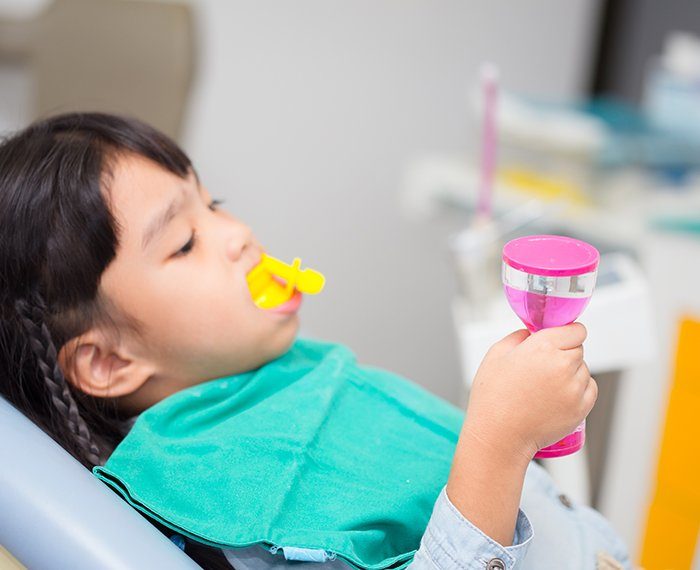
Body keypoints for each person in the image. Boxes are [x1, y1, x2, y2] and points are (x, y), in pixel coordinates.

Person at [0, 113, 631, 570]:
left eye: (213, 203)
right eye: (184, 243)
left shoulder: (279, 378)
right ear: (108, 360)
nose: (239, 233)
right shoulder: (226, 500)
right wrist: (500, 441)